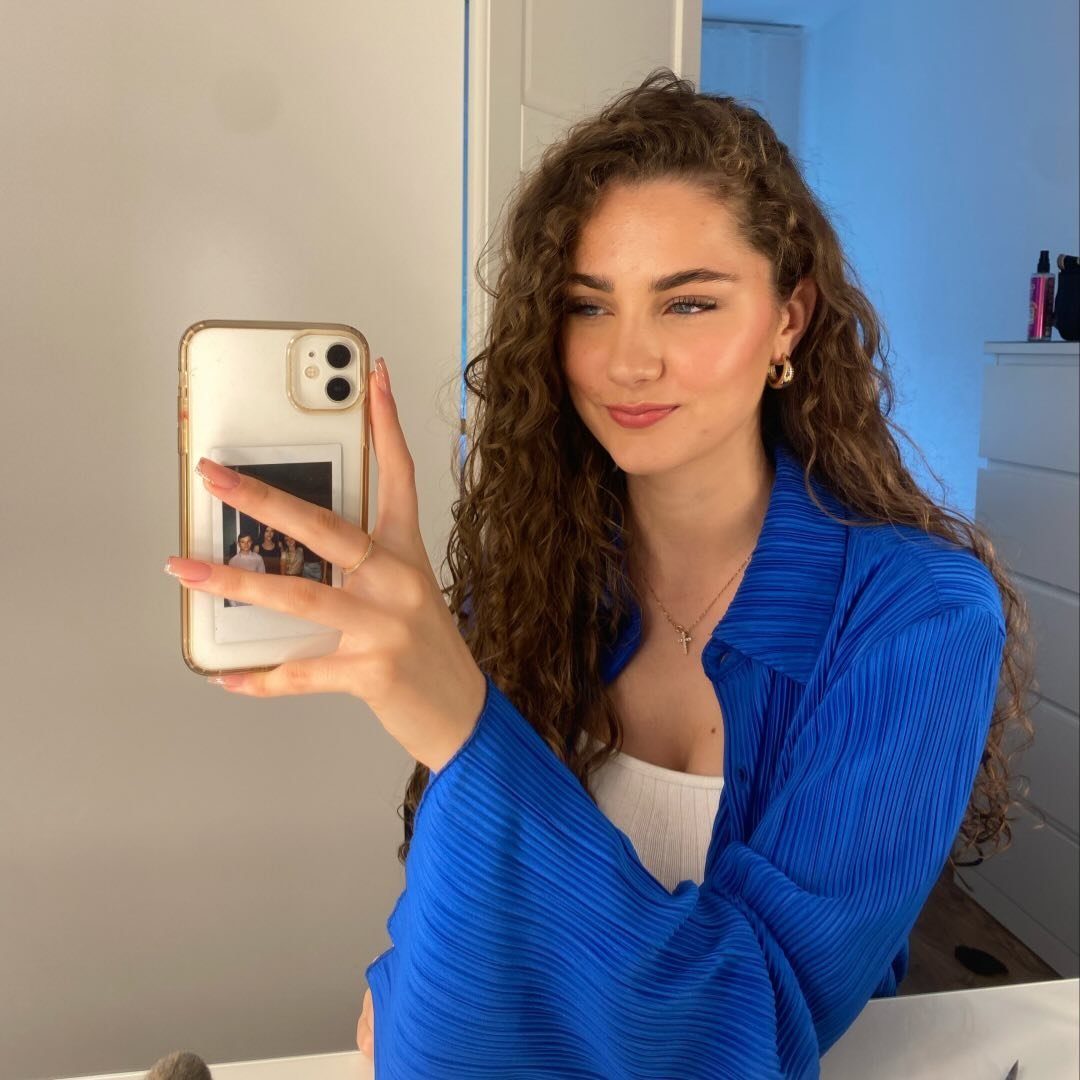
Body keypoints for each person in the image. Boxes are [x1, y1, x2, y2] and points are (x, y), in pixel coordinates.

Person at [165, 70, 1034, 1079]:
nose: (628, 362)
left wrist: (465, 730)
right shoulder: (536, 574)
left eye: (689, 303)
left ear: (789, 319)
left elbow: (747, 1030)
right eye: (588, 306)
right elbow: (442, 972)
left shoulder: (920, 619)